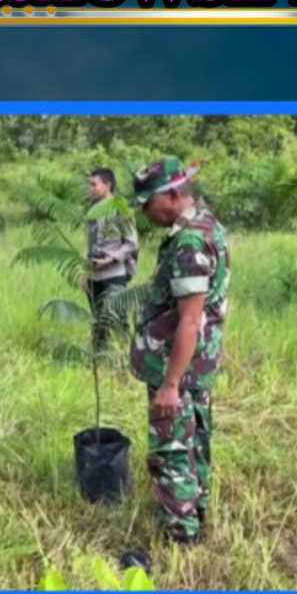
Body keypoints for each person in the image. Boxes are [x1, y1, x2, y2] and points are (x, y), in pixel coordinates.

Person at [129, 157, 230, 548]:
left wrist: (170, 384)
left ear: (172, 195)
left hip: (179, 368)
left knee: (172, 452)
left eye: (148, 203)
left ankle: (179, 538)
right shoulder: (207, 224)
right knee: (195, 444)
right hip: (195, 366)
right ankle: (195, 516)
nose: (145, 212)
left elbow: (190, 320)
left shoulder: (189, 242)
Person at [85, 167, 139, 348]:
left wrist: (110, 259)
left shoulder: (120, 209)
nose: (90, 188)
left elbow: (132, 243)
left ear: (107, 185)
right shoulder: (93, 210)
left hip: (114, 274)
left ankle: (126, 353)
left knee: (118, 319)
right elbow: (90, 243)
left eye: (94, 184)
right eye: (90, 185)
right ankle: (99, 356)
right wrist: (86, 273)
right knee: (98, 320)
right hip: (94, 275)